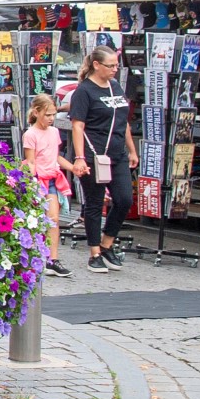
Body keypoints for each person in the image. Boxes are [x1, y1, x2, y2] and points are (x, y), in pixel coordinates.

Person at [67, 45, 135, 274]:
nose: (115, 69)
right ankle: (94, 252)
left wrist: (132, 150)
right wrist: (79, 157)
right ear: (96, 65)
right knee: (95, 202)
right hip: (94, 154)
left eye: (117, 65)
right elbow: (78, 126)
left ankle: (107, 243)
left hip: (117, 153)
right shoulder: (84, 91)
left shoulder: (115, 87)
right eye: (110, 65)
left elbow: (123, 121)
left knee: (124, 199)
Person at [22, 94, 73, 277]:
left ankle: (52, 259)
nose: (51, 118)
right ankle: (36, 256)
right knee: (36, 220)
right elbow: (31, 161)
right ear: (36, 112)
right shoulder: (30, 134)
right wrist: (31, 181)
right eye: (48, 115)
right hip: (38, 179)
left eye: (53, 115)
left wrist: (72, 168)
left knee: (53, 218)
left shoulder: (54, 132)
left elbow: (55, 156)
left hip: (51, 178)